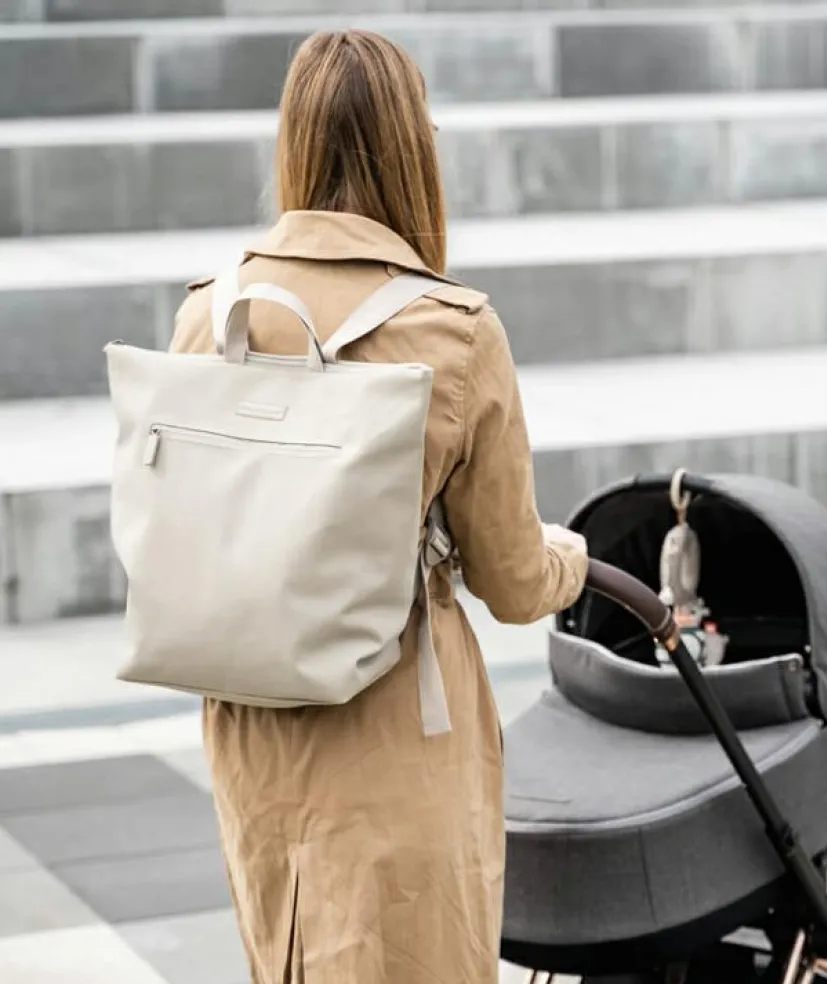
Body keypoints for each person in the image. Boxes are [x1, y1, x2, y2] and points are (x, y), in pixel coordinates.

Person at [168, 29, 589, 984]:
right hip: (395, 725)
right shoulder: (452, 332)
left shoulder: (210, 313)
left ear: (295, 144)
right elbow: (516, 583)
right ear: (414, 150)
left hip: (253, 725)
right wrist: (570, 553)